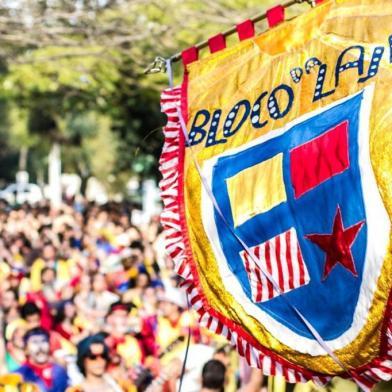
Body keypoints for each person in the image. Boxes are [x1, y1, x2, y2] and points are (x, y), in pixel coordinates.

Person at [66, 334, 135, 392]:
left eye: (103, 355)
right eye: (93, 357)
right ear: (83, 359)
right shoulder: (75, 391)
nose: (99, 361)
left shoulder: (123, 387)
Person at [14, 327, 69, 392]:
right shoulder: (20, 375)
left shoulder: (59, 370)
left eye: (43, 341)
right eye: (35, 342)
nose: (40, 346)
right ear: (26, 349)